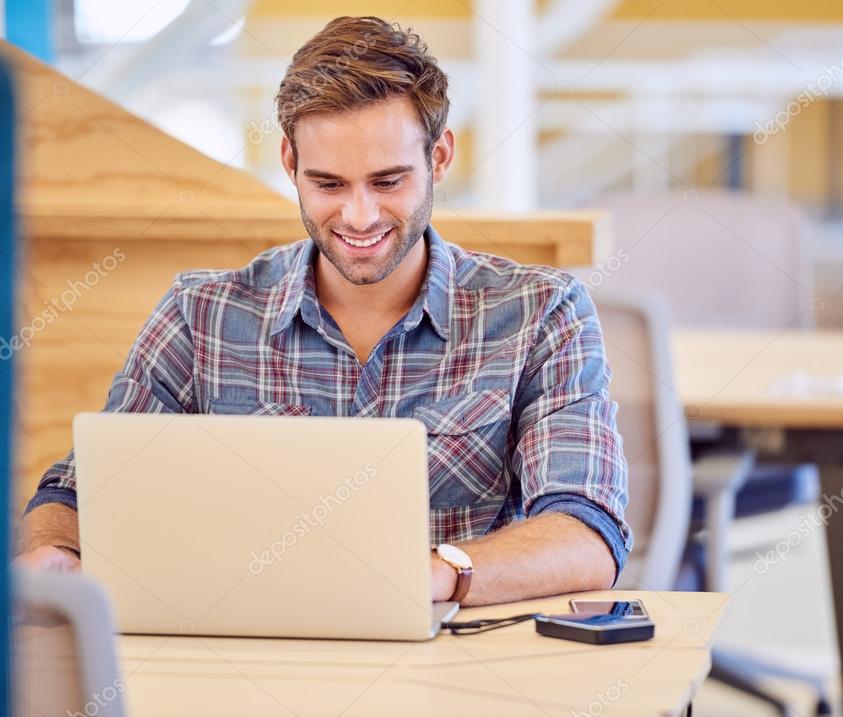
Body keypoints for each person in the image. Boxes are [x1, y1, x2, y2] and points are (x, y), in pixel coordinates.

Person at [15, 16, 631, 607]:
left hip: (455, 664)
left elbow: (585, 532)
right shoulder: (201, 315)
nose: (359, 217)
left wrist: (438, 573)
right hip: (244, 658)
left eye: (388, 182)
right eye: (329, 185)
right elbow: (77, 492)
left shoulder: (540, 311)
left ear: (438, 158)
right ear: (290, 164)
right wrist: (57, 548)